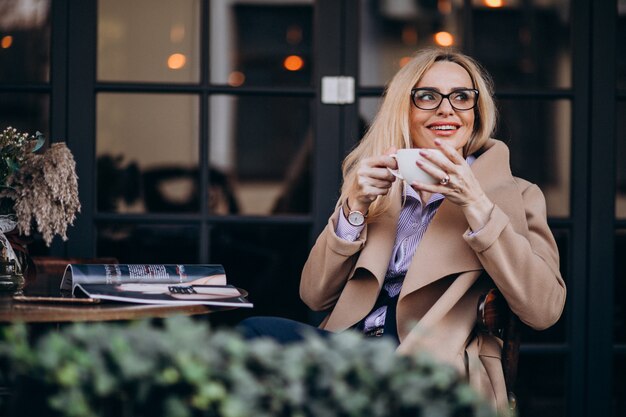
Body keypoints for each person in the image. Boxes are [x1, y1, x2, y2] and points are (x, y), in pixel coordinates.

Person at [239, 48, 566, 413]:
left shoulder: (516, 195)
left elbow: (544, 310)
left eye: (462, 97)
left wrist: (476, 204)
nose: (447, 109)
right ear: (404, 111)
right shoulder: (379, 188)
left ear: (476, 112)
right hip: (352, 350)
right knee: (251, 337)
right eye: (427, 96)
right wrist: (354, 210)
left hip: (432, 364)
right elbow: (314, 296)